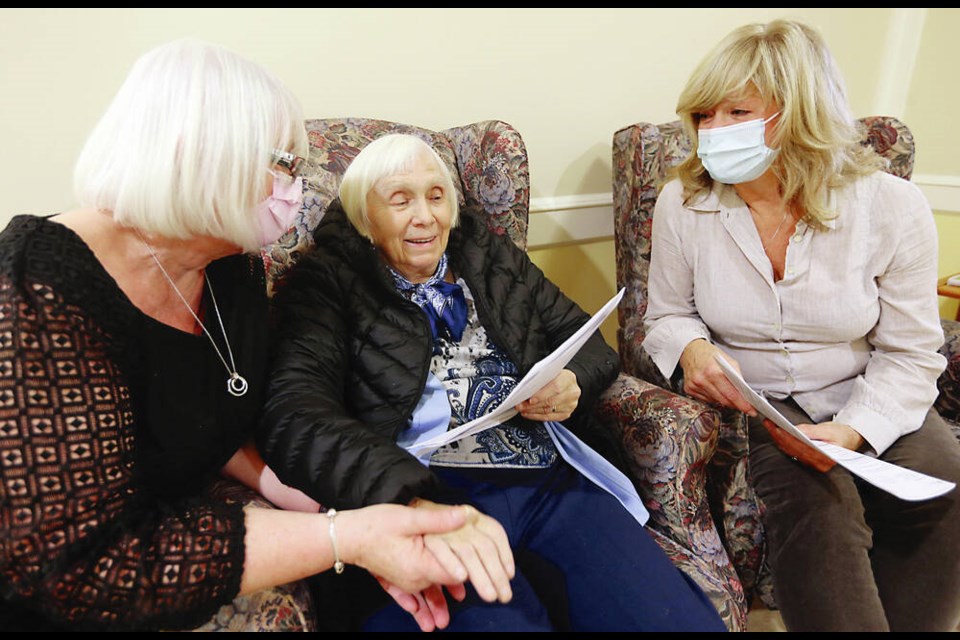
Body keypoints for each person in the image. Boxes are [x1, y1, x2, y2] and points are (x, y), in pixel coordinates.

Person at [0, 39, 514, 632]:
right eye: (283, 164)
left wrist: (339, 515)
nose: (294, 187)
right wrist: (345, 537)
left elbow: (217, 425)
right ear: (197, 156)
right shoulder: (38, 287)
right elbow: (81, 567)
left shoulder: (230, 267)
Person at [256, 132, 727, 632]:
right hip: (427, 486)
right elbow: (296, 413)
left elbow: (582, 335)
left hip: (545, 474)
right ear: (364, 216)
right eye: (400, 200)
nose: (425, 217)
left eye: (436, 196)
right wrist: (403, 496)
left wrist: (573, 380)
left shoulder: (487, 257)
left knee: (675, 620)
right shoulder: (323, 284)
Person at [643, 19, 960, 632]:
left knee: (943, 484)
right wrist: (693, 351)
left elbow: (913, 352)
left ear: (802, 114)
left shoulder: (891, 208)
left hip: (865, 389)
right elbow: (666, 315)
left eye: (738, 111)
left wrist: (857, 429)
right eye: (704, 115)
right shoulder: (682, 203)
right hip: (760, 406)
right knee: (821, 510)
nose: (713, 132)